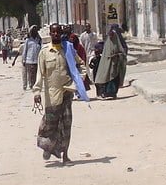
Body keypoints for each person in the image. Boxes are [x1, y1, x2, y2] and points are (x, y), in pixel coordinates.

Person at [32, 24, 87, 164]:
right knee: (49, 124)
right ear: (50, 34)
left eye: (58, 32)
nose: (56, 34)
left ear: (61, 33)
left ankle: (65, 155)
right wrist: (37, 91)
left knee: (66, 124)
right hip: (52, 96)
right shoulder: (44, 52)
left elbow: (81, 64)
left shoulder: (68, 50)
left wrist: (80, 79)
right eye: (53, 32)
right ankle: (48, 147)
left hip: (67, 93)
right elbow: (40, 74)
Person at [93, 24, 128, 99]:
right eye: (110, 35)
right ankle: (106, 93)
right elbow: (105, 56)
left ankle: (113, 93)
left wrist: (118, 55)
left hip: (116, 65)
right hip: (108, 65)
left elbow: (122, 53)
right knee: (107, 78)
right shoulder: (107, 44)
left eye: (112, 35)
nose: (111, 37)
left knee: (115, 79)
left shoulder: (118, 42)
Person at [20, 25, 42, 91]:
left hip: (37, 60)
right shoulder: (28, 40)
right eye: (33, 30)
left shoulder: (39, 40)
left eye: (36, 30)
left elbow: (41, 50)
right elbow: (25, 50)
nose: (34, 31)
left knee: (35, 74)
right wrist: (24, 60)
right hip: (29, 60)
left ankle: (34, 84)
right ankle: (31, 85)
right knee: (30, 74)